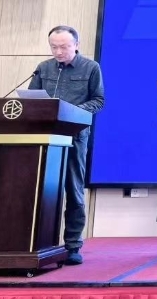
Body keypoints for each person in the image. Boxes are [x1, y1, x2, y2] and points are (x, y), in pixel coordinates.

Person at [28, 25, 105, 265]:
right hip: (44, 138)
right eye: (54, 47)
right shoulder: (43, 68)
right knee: (41, 192)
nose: (58, 52)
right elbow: (31, 100)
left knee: (74, 190)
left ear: (76, 45)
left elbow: (98, 100)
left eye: (64, 47)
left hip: (75, 137)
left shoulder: (90, 67)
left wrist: (72, 112)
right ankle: (38, 244)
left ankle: (72, 245)